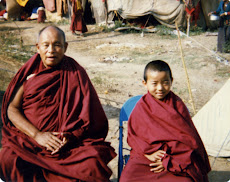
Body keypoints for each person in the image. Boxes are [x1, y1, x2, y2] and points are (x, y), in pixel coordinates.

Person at [0, 25, 116, 182]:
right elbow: (12, 109)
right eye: (46, 45)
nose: (51, 50)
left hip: (67, 145)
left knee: (92, 163)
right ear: (38, 48)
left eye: (57, 45)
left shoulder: (75, 72)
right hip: (31, 141)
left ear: (65, 47)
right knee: (8, 159)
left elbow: (90, 117)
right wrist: (37, 135)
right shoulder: (29, 73)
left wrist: (71, 137)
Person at [119, 60, 211, 182]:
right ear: (145, 83)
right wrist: (148, 155)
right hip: (146, 157)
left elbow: (188, 139)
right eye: (154, 83)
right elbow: (135, 137)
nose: (160, 88)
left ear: (171, 81)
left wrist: (168, 161)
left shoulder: (177, 105)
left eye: (165, 82)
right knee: (127, 178)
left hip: (175, 158)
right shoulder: (142, 106)